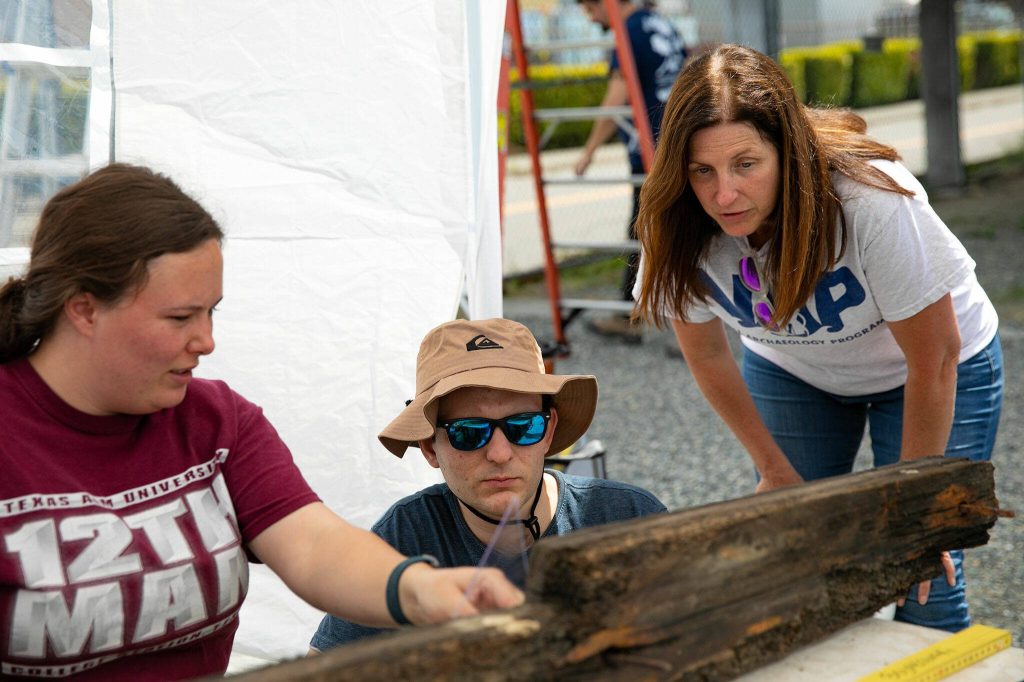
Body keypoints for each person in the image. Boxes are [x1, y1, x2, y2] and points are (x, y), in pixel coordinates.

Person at [0, 164, 523, 679]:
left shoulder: (216, 420)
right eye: (180, 317)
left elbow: (315, 546)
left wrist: (421, 590)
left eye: (212, 313)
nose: (206, 341)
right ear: (84, 310)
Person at [633, 44, 1003, 633]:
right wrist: (771, 467)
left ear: (787, 151)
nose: (723, 195)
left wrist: (914, 509)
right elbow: (705, 353)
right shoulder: (673, 221)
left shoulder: (870, 198)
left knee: (921, 569)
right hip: (794, 372)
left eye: (745, 164)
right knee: (796, 563)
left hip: (926, 372)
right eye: (702, 171)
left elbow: (935, 358)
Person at [309, 317, 666, 650]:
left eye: (523, 426)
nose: (499, 453)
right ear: (430, 447)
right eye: (469, 433)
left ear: (549, 431)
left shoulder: (629, 519)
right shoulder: (404, 539)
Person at [574, 0, 686, 342]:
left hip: (651, 148)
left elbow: (616, 97)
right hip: (678, 136)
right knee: (664, 227)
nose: (591, 18)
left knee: (644, 229)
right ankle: (641, 312)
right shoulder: (658, 22)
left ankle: (634, 314)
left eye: (590, 9)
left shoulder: (628, 33)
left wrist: (589, 150)